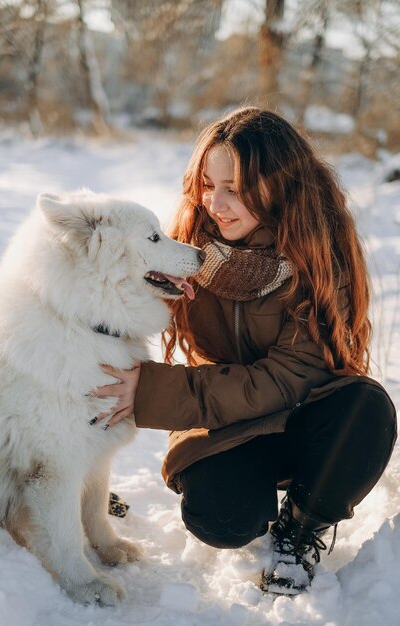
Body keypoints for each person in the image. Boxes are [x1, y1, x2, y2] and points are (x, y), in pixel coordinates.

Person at [93, 107, 397, 595]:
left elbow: (288, 377)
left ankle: (303, 523)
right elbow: (103, 306)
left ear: (279, 184)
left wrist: (152, 390)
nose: (216, 202)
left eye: (235, 187)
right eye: (208, 185)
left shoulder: (319, 253)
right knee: (222, 520)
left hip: (308, 417)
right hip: (226, 422)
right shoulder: (189, 248)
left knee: (368, 407)